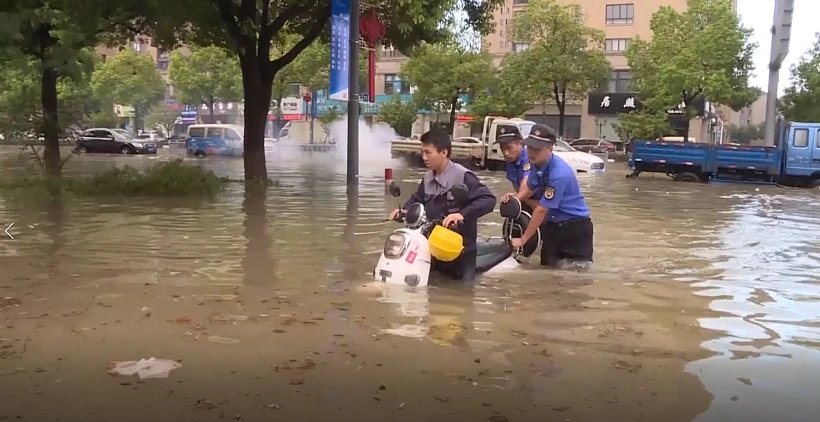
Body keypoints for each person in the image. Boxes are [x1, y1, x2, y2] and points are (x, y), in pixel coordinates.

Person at [388, 130, 496, 281]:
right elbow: (418, 199)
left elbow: (488, 199)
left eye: (428, 153)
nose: (424, 157)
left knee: (464, 293)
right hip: (433, 247)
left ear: (444, 152)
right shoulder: (427, 177)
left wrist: (462, 214)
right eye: (422, 152)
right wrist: (404, 211)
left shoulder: (463, 176)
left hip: (460, 250)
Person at [509, 124, 594, 267]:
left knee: (576, 276)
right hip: (553, 227)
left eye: (537, 149)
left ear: (550, 149)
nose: (531, 153)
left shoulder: (559, 174)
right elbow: (529, 188)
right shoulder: (537, 165)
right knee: (547, 272)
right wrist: (515, 200)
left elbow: (542, 209)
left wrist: (523, 240)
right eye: (529, 148)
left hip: (575, 230)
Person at [497, 130, 541, 212]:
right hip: (529, 200)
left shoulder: (528, 157)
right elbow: (515, 183)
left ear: (520, 143)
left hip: (545, 201)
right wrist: (517, 197)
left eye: (509, 148)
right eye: (502, 149)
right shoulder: (511, 159)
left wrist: (517, 198)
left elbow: (526, 182)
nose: (505, 153)